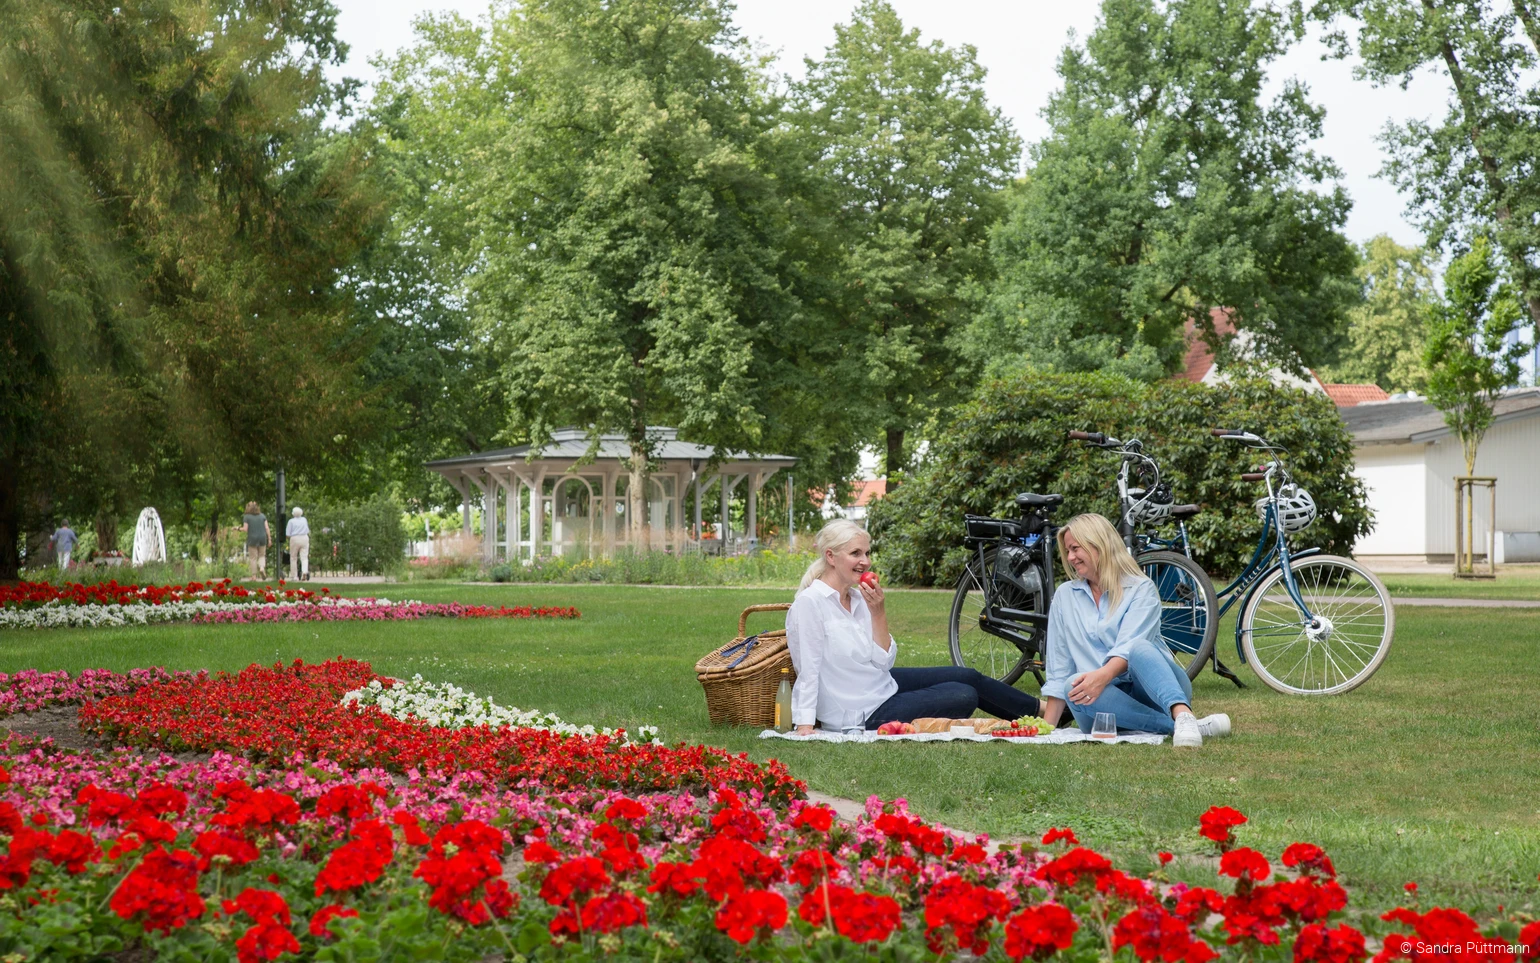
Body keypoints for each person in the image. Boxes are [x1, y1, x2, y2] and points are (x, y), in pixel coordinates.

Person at [785, 519, 1040, 734]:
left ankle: (1045, 711)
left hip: (880, 684)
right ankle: (1043, 714)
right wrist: (805, 725)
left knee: (967, 675)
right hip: (858, 713)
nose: (865, 561)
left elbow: (883, 662)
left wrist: (878, 613)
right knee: (963, 694)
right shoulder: (810, 604)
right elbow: (808, 670)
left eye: (866, 553)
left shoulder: (859, 597)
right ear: (830, 556)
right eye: (855, 554)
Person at [1039, 512, 1231, 748]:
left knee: (1139, 648)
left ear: (1099, 545)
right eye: (1067, 551)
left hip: (1156, 691)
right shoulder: (1065, 596)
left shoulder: (1141, 588)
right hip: (1101, 706)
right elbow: (1059, 667)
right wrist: (1046, 731)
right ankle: (1183, 724)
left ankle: (1181, 712)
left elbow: (1129, 647)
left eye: (1075, 548)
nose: (1070, 557)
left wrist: (1102, 676)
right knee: (1072, 685)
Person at [241, 501, 271, 580]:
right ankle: (261, 567)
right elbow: (267, 528)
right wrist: (269, 539)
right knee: (262, 555)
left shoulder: (246, 517)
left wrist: (237, 528)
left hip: (252, 538)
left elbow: (245, 529)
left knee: (253, 557)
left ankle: (254, 576)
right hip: (262, 538)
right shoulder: (262, 516)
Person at [285, 507, 310, 581]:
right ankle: (304, 571)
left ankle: (294, 576)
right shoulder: (304, 519)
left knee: (293, 557)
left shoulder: (291, 521)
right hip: (305, 537)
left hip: (295, 538)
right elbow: (307, 530)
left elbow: (288, 534)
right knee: (304, 557)